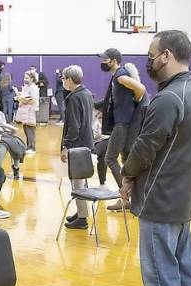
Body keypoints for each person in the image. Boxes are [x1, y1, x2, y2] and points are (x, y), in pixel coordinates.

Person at [119, 30, 191, 286]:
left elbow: (144, 147)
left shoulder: (169, 98)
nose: (148, 60)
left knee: (161, 275)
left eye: (151, 54)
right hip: (181, 201)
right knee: (185, 270)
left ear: (166, 55)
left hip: (159, 200)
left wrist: (127, 174)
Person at [97, 47, 147, 211]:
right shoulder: (118, 76)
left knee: (110, 158)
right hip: (123, 121)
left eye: (105, 59)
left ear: (113, 61)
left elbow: (141, 89)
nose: (102, 62)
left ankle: (124, 197)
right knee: (126, 158)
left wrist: (135, 100)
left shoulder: (120, 76)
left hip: (123, 122)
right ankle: (130, 197)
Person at [58, 65, 95, 230]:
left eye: (64, 78)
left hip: (77, 146)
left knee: (78, 184)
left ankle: (82, 219)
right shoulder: (86, 93)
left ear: (70, 79)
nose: (63, 81)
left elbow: (74, 126)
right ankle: (81, 212)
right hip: (86, 143)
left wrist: (66, 145)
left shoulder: (74, 98)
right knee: (80, 182)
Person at [17, 71, 40, 153]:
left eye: (27, 78)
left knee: (30, 129)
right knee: (26, 129)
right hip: (24, 111)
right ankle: (28, 146)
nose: (25, 79)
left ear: (32, 78)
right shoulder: (26, 87)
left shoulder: (34, 87)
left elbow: (33, 100)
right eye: (24, 77)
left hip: (30, 111)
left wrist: (23, 100)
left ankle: (32, 147)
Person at [92, 110, 109, 186]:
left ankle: (103, 183)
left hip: (103, 140)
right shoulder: (93, 118)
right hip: (91, 141)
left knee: (103, 155)